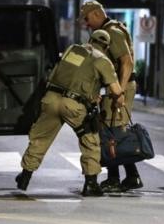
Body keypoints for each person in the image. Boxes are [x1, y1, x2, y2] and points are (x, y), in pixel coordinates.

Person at [15, 30, 125, 197]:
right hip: (74, 105)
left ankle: (24, 177)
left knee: (40, 139)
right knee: (90, 141)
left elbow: (59, 73)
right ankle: (91, 184)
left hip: (51, 99)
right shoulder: (103, 60)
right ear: (106, 46)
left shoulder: (73, 49)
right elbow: (116, 90)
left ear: (90, 40)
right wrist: (119, 100)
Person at [79, 0, 141, 192]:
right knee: (111, 131)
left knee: (111, 132)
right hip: (112, 87)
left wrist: (119, 92)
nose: (86, 24)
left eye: (87, 19)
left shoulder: (112, 32)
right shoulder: (105, 32)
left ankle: (117, 178)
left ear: (97, 14)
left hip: (120, 87)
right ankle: (131, 177)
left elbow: (127, 62)